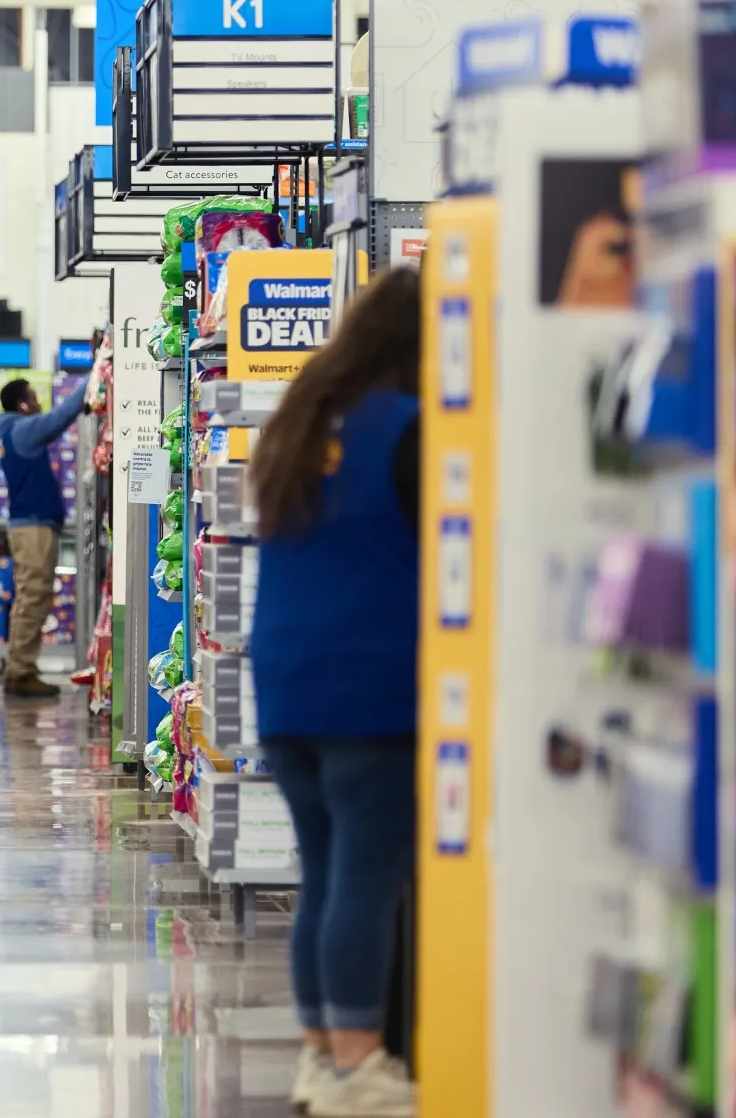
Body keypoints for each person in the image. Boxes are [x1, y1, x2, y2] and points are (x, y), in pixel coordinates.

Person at [247, 266, 421, 1118]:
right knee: (367, 878)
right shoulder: (411, 429)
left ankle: (322, 1056)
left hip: (286, 682)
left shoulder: (298, 423)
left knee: (323, 872)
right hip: (372, 684)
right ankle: (358, 1065)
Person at [0, 376, 87, 699]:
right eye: (33, 398)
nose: (38, 404)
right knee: (33, 596)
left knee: (30, 596)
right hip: (32, 527)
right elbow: (61, 417)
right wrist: (96, 373)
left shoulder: (7, 432)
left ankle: (21, 668)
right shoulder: (22, 429)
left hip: (28, 524)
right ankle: (20, 671)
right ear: (23, 403)